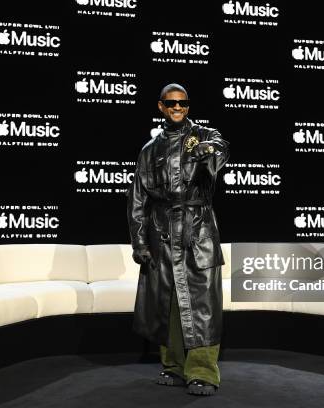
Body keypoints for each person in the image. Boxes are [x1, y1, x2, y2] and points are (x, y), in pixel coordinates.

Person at [126, 83, 230, 396]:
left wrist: (207, 150)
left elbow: (222, 146)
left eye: (182, 103)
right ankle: (172, 366)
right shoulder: (150, 149)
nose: (177, 108)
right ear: (160, 106)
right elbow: (137, 199)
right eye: (171, 103)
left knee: (202, 306)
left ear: (188, 105)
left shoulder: (204, 134)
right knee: (166, 303)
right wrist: (139, 242)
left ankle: (203, 372)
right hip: (161, 232)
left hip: (198, 231)